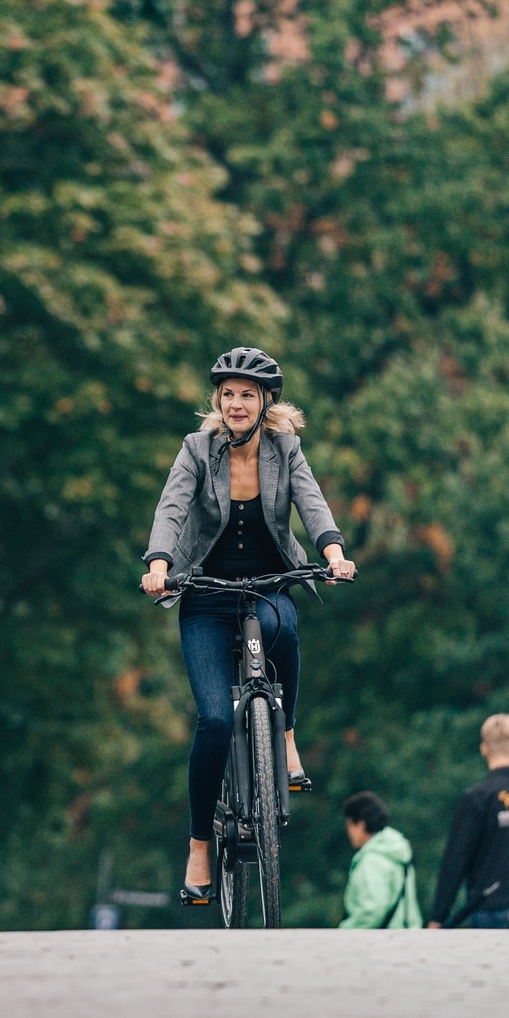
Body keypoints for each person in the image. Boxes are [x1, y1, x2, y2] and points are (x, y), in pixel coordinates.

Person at [139, 347, 358, 904]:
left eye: (247, 395)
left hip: (266, 584)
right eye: (228, 394)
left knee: (284, 627)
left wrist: (332, 552)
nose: (236, 404)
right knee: (213, 720)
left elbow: (312, 504)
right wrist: (160, 565)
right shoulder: (197, 449)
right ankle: (197, 848)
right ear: (218, 400)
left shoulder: (286, 449)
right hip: (206, 595)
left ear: (265, 403)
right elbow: (172, 506)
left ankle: (284, 736)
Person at [427, 713, 509, 928]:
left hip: (490, 905)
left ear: (484, 749)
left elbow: (456, 859)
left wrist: (439, 915)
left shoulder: (477, 796)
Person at [338, 791, 423, 929]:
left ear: (360, 824)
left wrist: (344, 932)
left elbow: (372, 911)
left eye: (349, 824)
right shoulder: (398, 854)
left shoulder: (372, 860)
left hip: (382, 943)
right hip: (407, 937)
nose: (348, 831)